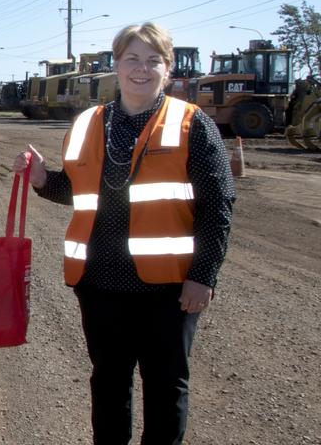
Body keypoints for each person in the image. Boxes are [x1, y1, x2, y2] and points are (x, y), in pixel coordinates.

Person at [14, 22, 234, 444]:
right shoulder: (88, 123)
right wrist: (43, 180)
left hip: (169, 288)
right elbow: (81, 192)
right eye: (132, 58)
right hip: (99, 283)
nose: (142, 69)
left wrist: (203, 275)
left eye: (153, 60)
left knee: (166, 387)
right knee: (109, 383)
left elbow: (219, 205)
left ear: (167, 70)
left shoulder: (193, 124)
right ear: (116, 64)